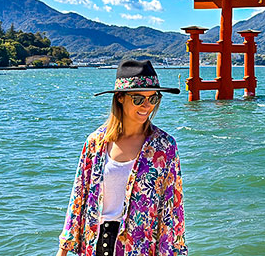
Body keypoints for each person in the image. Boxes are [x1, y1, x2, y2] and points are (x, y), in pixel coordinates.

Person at [56, 60, 187, 256]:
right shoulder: (96, 143)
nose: (147, 105)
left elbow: (172, 209)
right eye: (138, 99)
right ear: (119, 98)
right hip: (96, 246)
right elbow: (78, 197)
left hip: (140, 248)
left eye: (153, 98)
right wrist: (63, 250)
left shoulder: (165, 147)